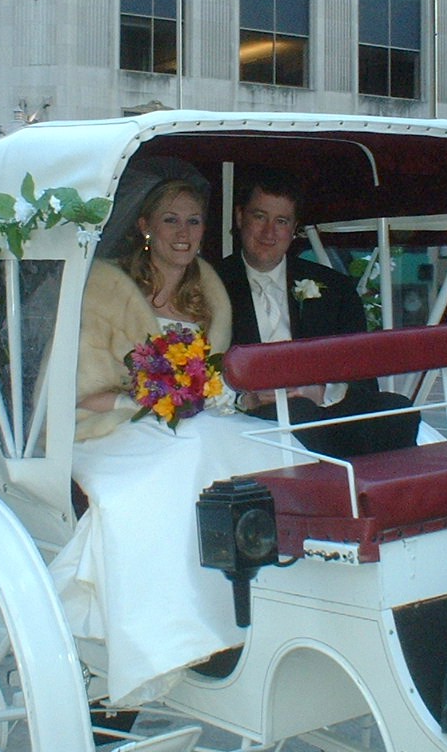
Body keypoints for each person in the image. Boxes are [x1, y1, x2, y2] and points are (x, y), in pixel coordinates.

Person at [51, 170, 304, 707]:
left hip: (191, 422)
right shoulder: (104, 288)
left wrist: (208, 397)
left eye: (194, 221)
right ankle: (167, 627)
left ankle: (252, 602)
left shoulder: (207, 294)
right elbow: (79, 392)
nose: (183, 232)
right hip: (110, 428)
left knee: (263, 445)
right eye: (171, 220)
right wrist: (146, 399)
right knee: (192, 449)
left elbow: (213, 381)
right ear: (144, 226)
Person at [216, 168, 417, 457]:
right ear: (240, 217)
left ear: (293, 228)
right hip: (250, 418)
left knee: (398, 409)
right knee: (298, 412)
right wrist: (245, 398)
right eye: (259, 217)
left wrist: (322, 392)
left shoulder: (335, 287)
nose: (269, 232)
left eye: (281, 221)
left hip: (324, 409)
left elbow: (363, 375)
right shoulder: (209, 285)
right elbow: (199, 370)